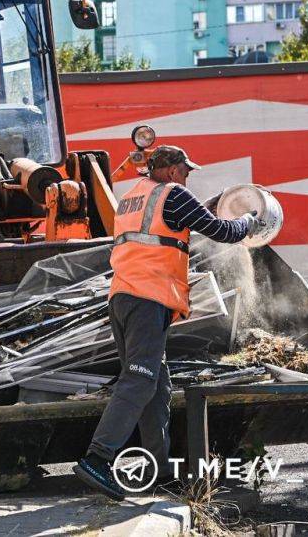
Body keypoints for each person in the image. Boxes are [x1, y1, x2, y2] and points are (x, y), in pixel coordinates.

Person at [73, 145, 264, 500]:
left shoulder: (134, 195)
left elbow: (173, 224)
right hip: (148, 298)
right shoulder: (174, 194)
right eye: (186, 171)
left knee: (156, 387)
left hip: (124, 297)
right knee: (140, 380)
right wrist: (248, 221)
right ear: (173, 171)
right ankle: (98, 457)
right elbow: (222, 231)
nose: (189, 176)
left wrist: (207, 207)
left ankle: (155, 469)